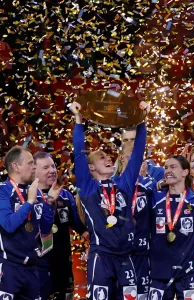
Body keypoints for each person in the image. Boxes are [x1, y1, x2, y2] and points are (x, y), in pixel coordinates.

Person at [70, 102, 147, 300]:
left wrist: (142, 121)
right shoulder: (88, 188)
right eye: (101, 157)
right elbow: (79, 152)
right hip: (101, 258)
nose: (108, 159)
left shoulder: (124, 184)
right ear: (91, 168)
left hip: (126, 258)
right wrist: (78, 120)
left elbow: (138, 153)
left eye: (108, 156)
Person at [0, 146, 60, 299]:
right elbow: (8, 225)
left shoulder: (36, 192)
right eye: (30, 163)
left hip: (33, 268)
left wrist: (49, 203)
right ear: (16, 166)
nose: (34, 167)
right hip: (9, 268)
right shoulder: (3, 191)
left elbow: (45, 229)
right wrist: (30, 202)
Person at [149, 155, 194, 299]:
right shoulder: (155, 198)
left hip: (189, 271)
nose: (168, 171)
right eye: (166, 167)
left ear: (185, 172)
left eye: (173, 167)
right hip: (159, 271)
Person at [33, 151, 86, 300]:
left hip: (63, 263)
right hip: (39, 264)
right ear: (34, 171)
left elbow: (78, 225)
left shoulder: (65, 196)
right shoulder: (29, 197)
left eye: (53, 166)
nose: (52, 171)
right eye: (45, 168)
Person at [116, 141, 153, 298]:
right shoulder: (112, 184)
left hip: (142, 254)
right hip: (118, 254)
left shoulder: (149, 184)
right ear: (121, 157)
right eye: (132, 154)